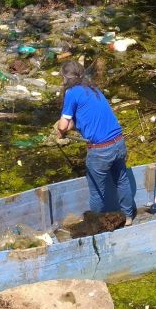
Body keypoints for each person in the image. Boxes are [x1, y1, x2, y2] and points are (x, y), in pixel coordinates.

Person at [54, 60, 135, 225]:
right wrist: (68, 127)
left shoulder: (72, 93)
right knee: (122, 180)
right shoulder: (93, 89)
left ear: (66, 78)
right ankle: (128, 217)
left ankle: (97, 224)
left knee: (97, 191)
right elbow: (80, 120)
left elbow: (63, 124)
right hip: (119, 142)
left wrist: (60, 131)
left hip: (100, 151)